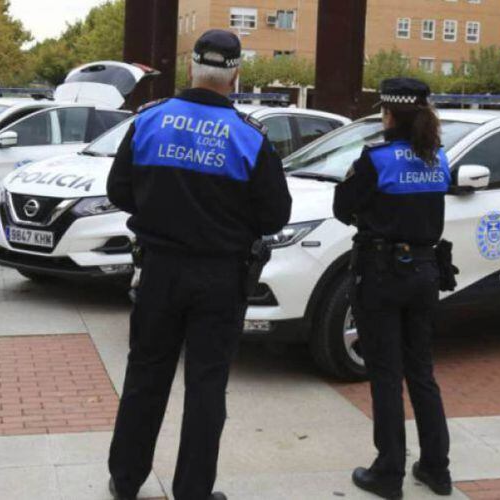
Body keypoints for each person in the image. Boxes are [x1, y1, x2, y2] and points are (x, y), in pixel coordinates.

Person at [105, 29, 292, 500]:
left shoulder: (149, 120)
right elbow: (275, 215)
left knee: (145, 373)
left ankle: (126, 479)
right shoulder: (250, 137)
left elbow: (118, 191)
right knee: (207, 387)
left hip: (159, 270)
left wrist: (159, 211)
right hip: (220, 278)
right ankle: (192, 492)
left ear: (191, 67)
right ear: (235, 75)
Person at [333, 78, 453, 499]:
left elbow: (341, 206)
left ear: (388, 113)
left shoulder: (376, 159)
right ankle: (437, 469)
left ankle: (388, 473)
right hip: (425, 271)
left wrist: (374, 218)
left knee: (386, 375)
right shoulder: (437, 158)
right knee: (422, 372)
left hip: (381, 273)